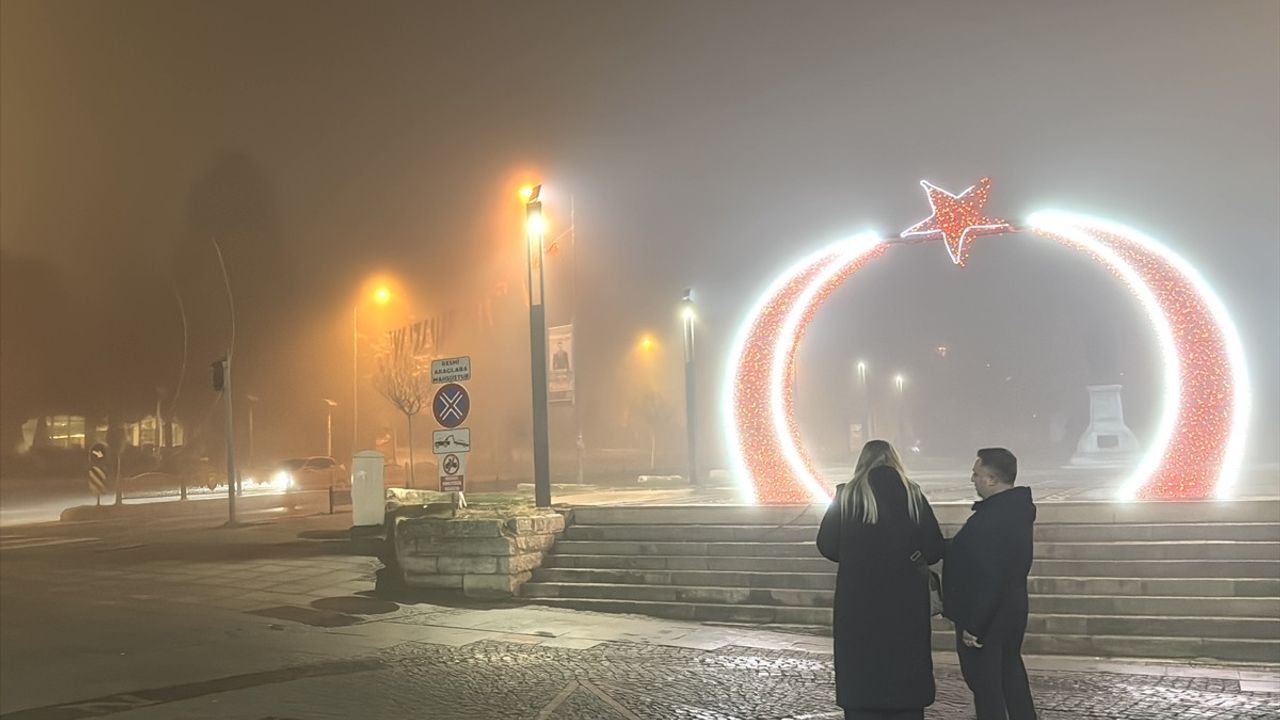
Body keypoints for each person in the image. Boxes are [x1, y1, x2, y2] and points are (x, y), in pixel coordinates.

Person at [817, 440, 945, 720]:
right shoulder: (912, 494)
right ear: (895, 461)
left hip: (858, 602)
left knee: (861, 666)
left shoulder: (847, 494)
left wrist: (855, 557)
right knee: (906, 664)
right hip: (905, 603)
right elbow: (935, 548)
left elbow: (826, 544)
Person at [943, 448, 1038, 720]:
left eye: (977, 473)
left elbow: (989, 574)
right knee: (1010, 680)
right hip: (1011, 610)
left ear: (993, 479)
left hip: (987, 617)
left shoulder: (992, 519)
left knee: (987, 690)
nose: (972, 478)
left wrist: (976, 625)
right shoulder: (1014, 511)